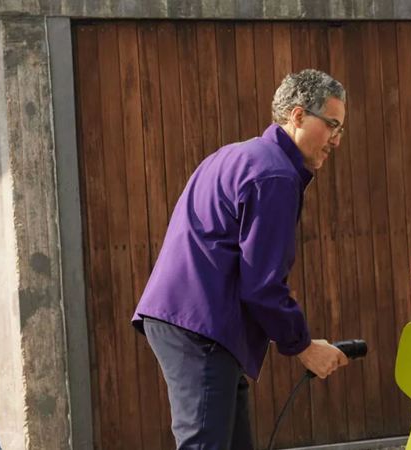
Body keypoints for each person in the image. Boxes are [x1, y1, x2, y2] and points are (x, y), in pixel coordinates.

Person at [132, 69, 349, 449]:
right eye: (332, 124)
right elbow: (262, 285)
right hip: (201, 327)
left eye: (340, 129)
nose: (336, 139)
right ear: (297, 117)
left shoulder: (236, 155)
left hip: (195, 323)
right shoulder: (275, 176)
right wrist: (303, 346)